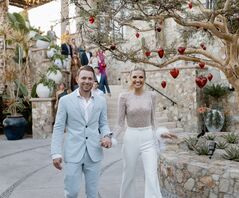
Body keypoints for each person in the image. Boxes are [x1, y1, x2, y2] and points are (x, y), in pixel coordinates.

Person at [51, 65, 113, 198]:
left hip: (94, 152)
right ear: (77, 79)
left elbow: (103, 124)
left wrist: (107, 136)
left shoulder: (101, 101)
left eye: (90, 78)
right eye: (83, 78)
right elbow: (58, 127)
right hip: (73, 152)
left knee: (92, 193)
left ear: (94, 80)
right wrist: (55, 152)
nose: (87, 81)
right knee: (71, 192)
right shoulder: (65, 101)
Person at [117, 66, 177, 198]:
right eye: (134, 77)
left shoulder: (152, 95)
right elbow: (120, 124)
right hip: (131, 137)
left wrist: (161, 132)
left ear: (145, 79)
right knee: (128, 174)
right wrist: (110, 138)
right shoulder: (124, 97)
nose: (138, 80)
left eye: (141, 77)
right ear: (130, 78)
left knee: (151, 175)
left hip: (148, 137)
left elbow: (154, 120)